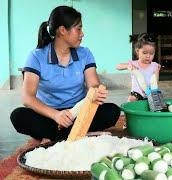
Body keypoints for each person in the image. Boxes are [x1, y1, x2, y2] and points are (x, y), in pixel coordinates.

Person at [10, 6, 120, 141]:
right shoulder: (36, 56)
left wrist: (96, 91)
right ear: (62, 30)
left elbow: (94, 84)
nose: (82, 33)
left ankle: (58, 137)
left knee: (112, 111)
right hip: (49, 115)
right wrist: (56, 115)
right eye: (78, 28)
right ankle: (80, 134)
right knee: (18, 116)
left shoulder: (85, 53)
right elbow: (27, 98)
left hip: (78, 113)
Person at [116, 33, 161, 102]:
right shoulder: (134, 64)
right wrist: (127, 66)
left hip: (150, 93)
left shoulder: (154, 66)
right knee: (131, 99)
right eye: (145, 53)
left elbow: (156, 82)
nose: (148, 56)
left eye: (151, 53)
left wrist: (152, 92)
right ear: (137, 51)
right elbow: (118, 66)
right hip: (137, 93)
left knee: (157, 104)